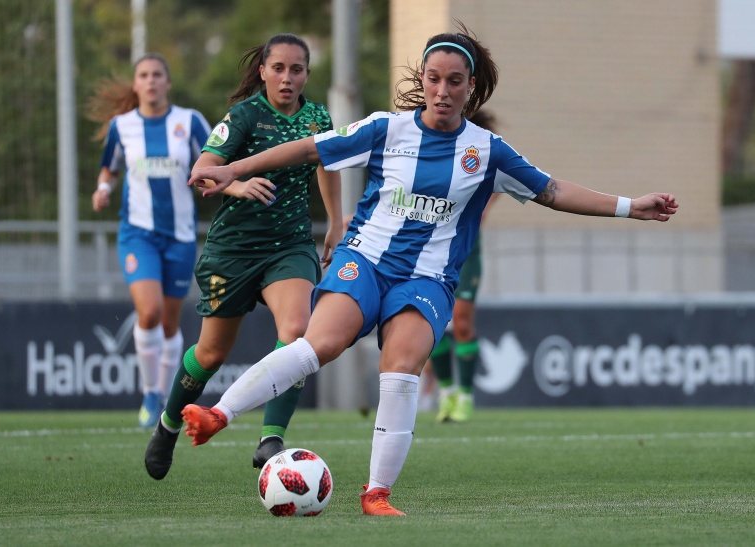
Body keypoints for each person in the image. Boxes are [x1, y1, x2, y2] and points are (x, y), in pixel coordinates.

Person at [181, 23, 678, 516]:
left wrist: (630, 205)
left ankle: (376, 495)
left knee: (400, 368)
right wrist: (232, 169)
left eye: (455, 81)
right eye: (434, 79)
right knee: (320, 344)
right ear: (422, 79)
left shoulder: (486, 151)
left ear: (470, 87)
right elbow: (311, 149)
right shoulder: (385, 128)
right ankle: (217, 413)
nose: (443, 91)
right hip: (366, 261)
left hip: (427, 280)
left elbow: (552, 190)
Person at [143, 34, 343, 481]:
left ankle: (271, 437)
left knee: (297, 332)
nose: (287, 78)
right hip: (233, 250)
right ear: (263, 72)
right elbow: (201, 171)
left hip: (289, 246)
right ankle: (168, 424)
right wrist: (236, 185)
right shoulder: (245, 115)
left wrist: (336, 221)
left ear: (307, 74)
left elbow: (325, 164)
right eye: (278, 69)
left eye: (296, 70)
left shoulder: (316, 117)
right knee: (212, 352)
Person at [90, 53, 211, 429]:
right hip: (137, 234)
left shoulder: (189, 121)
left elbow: (211, 161)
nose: (151, 81)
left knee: (171, 325)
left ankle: (162, 397)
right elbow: (109, 167)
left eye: (157, 74)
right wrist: (103, 188)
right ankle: (149, 393)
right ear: (136, 84)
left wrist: (216, 182)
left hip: (180, 236)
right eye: (143, 75)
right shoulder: (121, 126)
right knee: (150, 313)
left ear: (167, 82)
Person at [431, 108, 498, 423]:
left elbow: (497, 189)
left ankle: (466, 397)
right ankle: (446, 393)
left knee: (462, 322)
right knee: (433, 323)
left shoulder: (485, 153)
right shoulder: (434, 150)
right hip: (433, 251)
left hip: (467, 252)